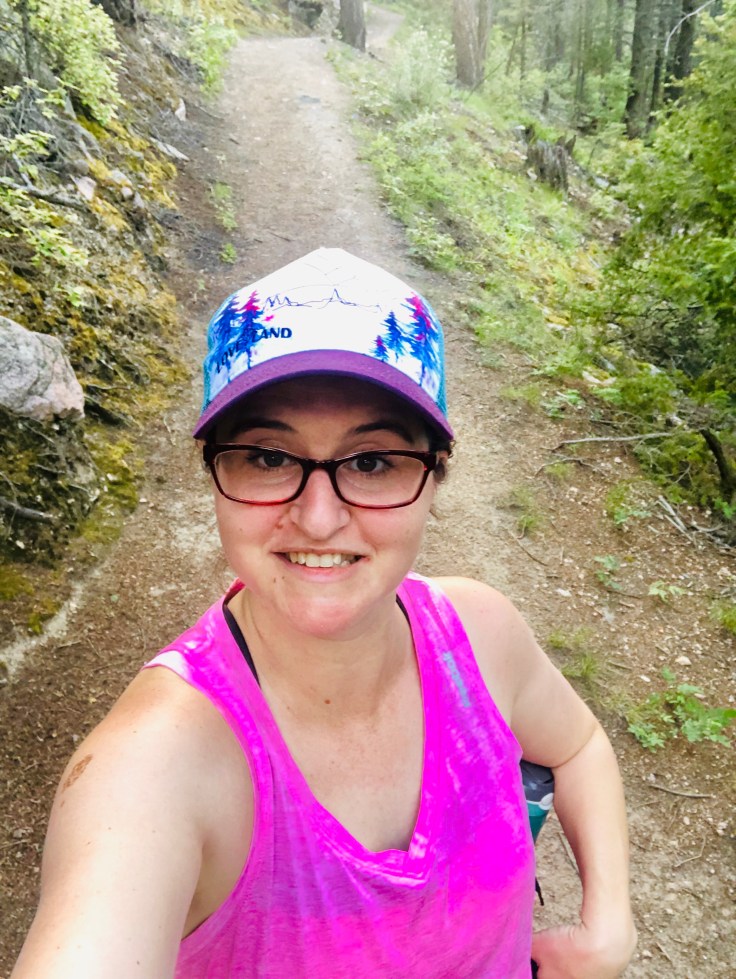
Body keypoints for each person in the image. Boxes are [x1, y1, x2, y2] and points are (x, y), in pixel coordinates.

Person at [12, 248, 636, 978]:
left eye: (371, 462)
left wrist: (608, 926)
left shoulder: (480, 635)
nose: (317, 517)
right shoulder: (155, 767)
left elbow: (579, 744)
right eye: (268, 457)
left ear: (435, 476)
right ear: (215, 472)